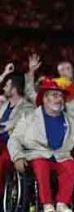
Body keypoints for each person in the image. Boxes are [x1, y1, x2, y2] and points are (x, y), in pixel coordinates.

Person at [8, 78, 74, 212]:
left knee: (72, 166)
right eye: (55, 95)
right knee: (41, 164)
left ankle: (62, 204)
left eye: (61, 96)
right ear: (44, 99)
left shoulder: (71, 121)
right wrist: (17, 157)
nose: (59, 99)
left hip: (61, 157)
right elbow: (14, 140)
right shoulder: (29, 117)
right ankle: (47, 204)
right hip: (37, 155)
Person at [0, 64, 35, 193]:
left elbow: (17, 128)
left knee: (2, 161)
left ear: (14, 89)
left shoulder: (27, 108)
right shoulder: (3, 106)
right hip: (2, 143)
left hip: (15, 146)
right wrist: (4, 74)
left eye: (6, 85)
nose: (3, 88)